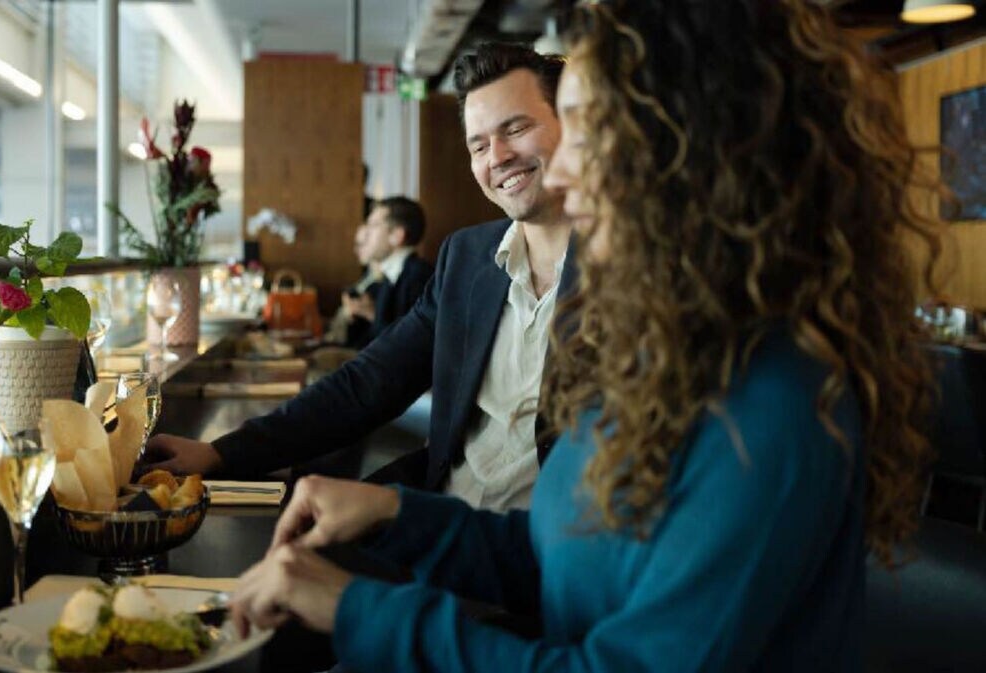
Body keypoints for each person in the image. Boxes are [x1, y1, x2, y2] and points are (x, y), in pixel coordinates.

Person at [225, 1, 940, 670]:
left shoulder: (773, 407)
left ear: (694, 150)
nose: (562, 170)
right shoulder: (661, 346)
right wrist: (396, 513)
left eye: (586, 130)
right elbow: (564, 557)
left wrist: (360, 609)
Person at [144, 43, 572, 510]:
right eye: (479, 144)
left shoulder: (638, 274)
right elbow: (370, 382)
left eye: (516, 128)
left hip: (540, 553)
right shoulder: (468, 258)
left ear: (574, 127)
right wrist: (220, 453)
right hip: (439, 512)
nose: (498, 157)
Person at [340, 196, 433, 348]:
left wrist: (373, 315)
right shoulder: (390, 275)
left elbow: (408, 347)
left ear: (396, 236)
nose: (365, 233)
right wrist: (357, 315)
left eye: (373, 225)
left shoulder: (419, 276)